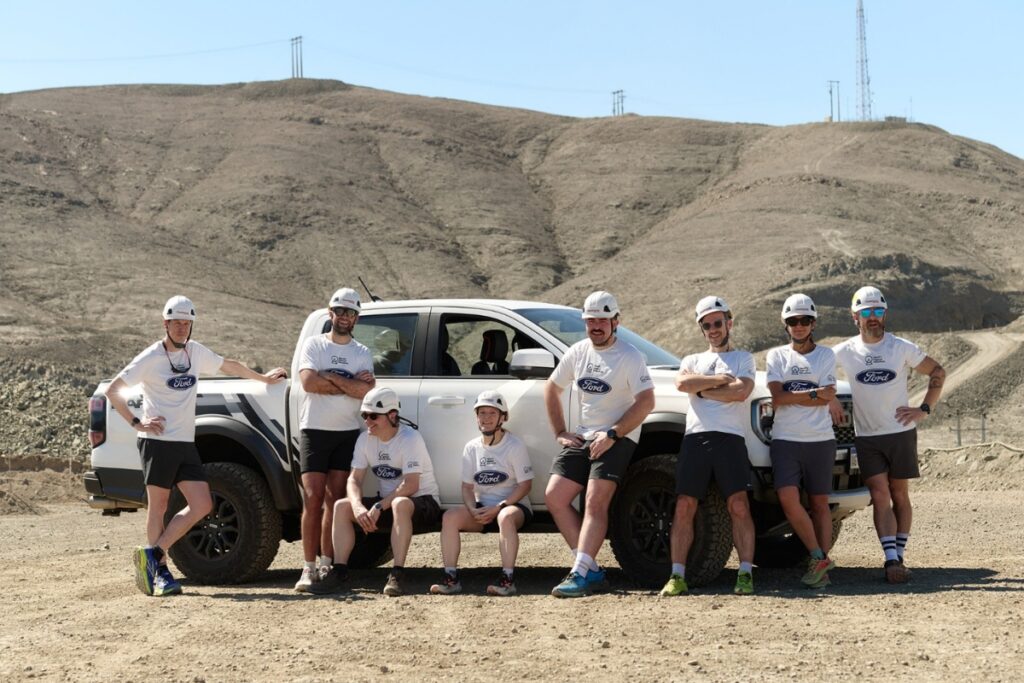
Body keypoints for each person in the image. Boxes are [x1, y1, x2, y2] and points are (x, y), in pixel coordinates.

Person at [105, 296, 286, 597]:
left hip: (185, 443)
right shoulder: (151, 356)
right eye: (175, 322)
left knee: (203, 504)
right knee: (159, 508)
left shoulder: (195, 352)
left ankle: (154, 553)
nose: (180, 327)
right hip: (158, 443)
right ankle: (158, 572)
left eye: (186, 323)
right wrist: (138, 423)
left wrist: (263, 379)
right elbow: (114, 390)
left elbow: (229, 365)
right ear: (165, 324)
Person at [831, 286, 945, 584]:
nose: (872, 318)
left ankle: (900, 554)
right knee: (880, 496)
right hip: (867, 437)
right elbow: (817, 370)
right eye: (866, 313)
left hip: (900, 433)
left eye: (877, 311)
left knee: (899, 494)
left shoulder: (900, 347)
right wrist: (829, 397)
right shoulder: (844, 351)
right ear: (854, 316)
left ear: (885, 314)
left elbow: (938, 372)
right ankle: (891, 559)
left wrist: (924, 409)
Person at [545, 291, 655, 598]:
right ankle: (591, 569)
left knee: (594, 501)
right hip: (584, 435)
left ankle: (579, 573)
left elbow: (647, 402)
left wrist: (614, 434)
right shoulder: (578, 352)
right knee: (554, 496)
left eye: (602, 320)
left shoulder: (630, 356)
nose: (596, 325)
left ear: (615, 321)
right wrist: (560, 432)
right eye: (590, 320)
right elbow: (551, 389)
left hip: (617, 437)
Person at [661, 296, 756, 597]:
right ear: (701, 329)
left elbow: (741, 392)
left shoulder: (744, 358)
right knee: (684, 506)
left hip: (730, 438)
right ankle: (677, 576)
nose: (713, 329)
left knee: (738, 505)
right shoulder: (691, 360)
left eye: (718, 322)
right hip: (696, 437)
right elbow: (681, 384)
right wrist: (717, 382)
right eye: (707, 325)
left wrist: (701, 390)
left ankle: (745, 573)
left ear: (729, 322)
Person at [312, 386, 442, 597]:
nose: (368, 421)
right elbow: (354, 479)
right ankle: (340, 571)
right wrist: (357, 506)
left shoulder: (410, 439)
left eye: (373, 416)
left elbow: (411, 485)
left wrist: (379, 506)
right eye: (365, 415)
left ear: (392, 415)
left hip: (422, 503)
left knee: (400, 503)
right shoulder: (365, 439)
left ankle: (397, 574)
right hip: (387, 504)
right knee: (341, 506)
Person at [293, 287, 375, 592]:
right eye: (339, 311)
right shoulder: (314, 344)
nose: (344, 317)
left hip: (346, 432)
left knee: (335, 498)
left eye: (350, 312)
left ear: (356, 318)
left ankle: (327, 563)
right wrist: (349, 383)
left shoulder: (362, 352)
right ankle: (307, 568)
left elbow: (365, 391)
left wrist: (331, 376)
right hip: (314, 430)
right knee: (312, 497)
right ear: (331, 313)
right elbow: (308, 383)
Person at [765, 294, 838, 588]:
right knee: (788, 499)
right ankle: (818, 555)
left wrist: (806, 396)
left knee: (820, 505)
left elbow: (830, 394)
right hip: (785, 439)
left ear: (813, 323)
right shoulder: (776, 356)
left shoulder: (826, 355)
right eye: (793, 321)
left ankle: (820, 569)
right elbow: (777, 398)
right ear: (785, 324)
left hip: (821, 440)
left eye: (804, 320)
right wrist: (813, 394)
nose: (799, 326)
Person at [429, 391, 534, 597]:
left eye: (492, 413)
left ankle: (507, 579)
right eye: (481, 413)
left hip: (512, 508)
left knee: (505, 517)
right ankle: (451, 579)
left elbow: (525, 486)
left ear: (502, 417)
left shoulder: (514, 445)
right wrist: (472, 509)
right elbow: (467, 487)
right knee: (450, 517)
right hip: (483, 509)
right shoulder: (471, 447)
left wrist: (499, 507)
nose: (486, 418)